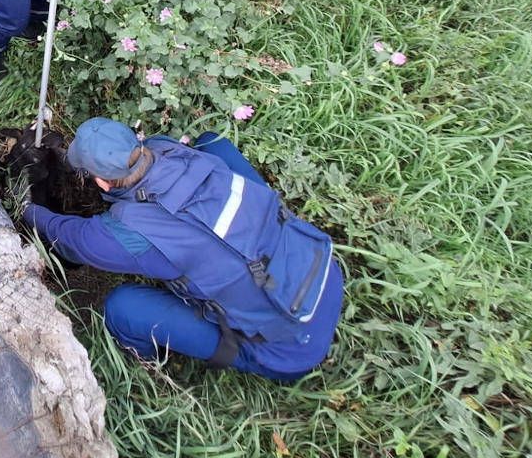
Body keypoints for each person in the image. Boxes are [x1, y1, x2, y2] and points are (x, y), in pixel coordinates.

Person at [23, 118, 345, 380]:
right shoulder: (169, 150)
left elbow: (71, 239)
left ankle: (147, 362)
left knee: (122, 309)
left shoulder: (132, 234)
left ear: (102, 184)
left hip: (289, 347)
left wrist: (28, 209)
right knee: (212, 141)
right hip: (323, 272)